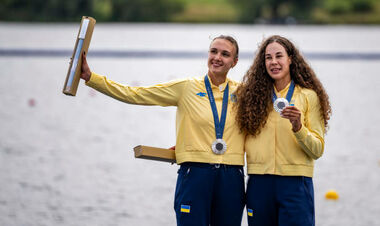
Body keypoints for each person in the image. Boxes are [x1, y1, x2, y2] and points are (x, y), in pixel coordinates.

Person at [80, 35, 245, 226]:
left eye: (225, 54)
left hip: (231, 177)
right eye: (213, 51)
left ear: (234, 62)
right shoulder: (186, 88)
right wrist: (92, 78)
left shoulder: (244, 93)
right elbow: (136, 95)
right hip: (195, 174)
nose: (217, 57)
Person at [235, 35, 332, 226]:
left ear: (290, 59)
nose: (273, 62)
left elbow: (317, 150)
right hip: (259, 184)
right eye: (268, 58)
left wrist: (298, 127)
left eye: (279, 56)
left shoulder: (308, 96)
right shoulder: (251, 97)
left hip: (295, 185)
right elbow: (229, 133)